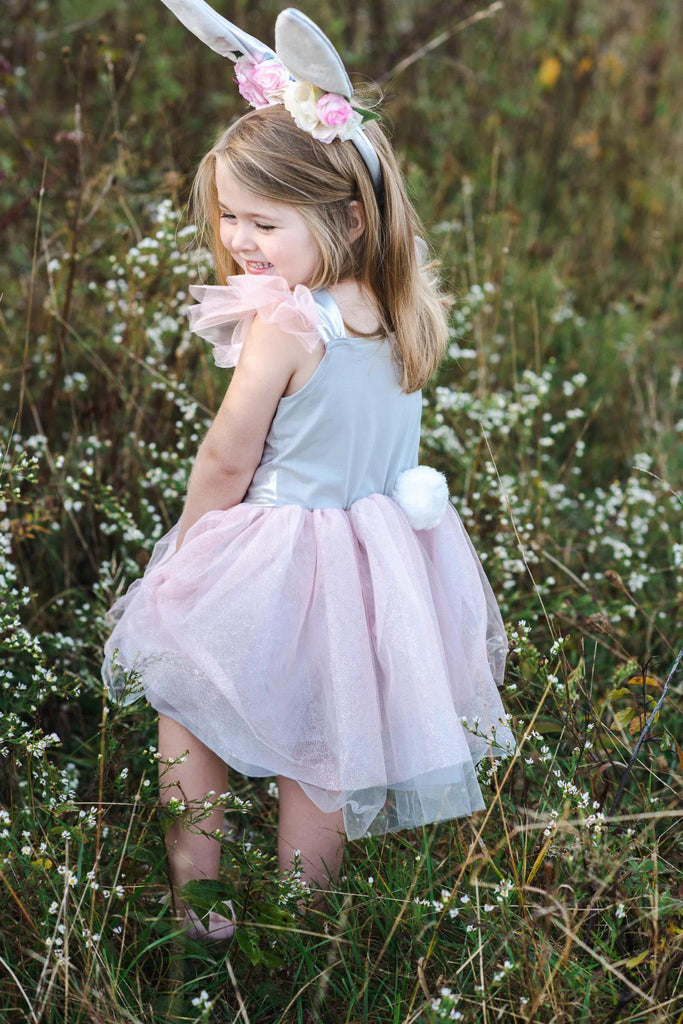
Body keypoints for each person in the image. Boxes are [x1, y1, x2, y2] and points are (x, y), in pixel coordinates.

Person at [102, 3, 516, 945]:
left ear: (345, 213)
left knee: (186, 687)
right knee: (329, 737)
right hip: (378, 559)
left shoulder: (286, 325)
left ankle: (197, 902)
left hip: (274, 544)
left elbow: (226, 455)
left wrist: (187, 550)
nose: (241, 242)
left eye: (263, 223)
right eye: (228, 219)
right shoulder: (398, 308)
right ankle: (303, 922)